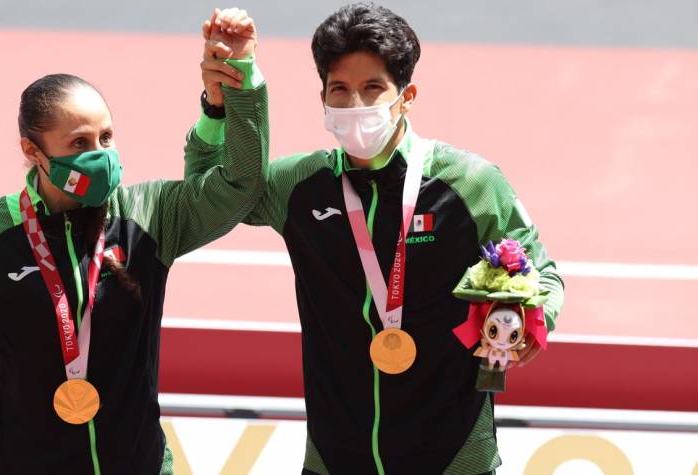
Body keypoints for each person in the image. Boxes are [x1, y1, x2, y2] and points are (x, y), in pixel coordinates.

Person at [192, 4, 564, 474]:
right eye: (340, 90)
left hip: (455, 460)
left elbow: (542, 273)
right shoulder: (300, 187)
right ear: (323, 98)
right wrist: (217, 108)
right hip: (335, 461)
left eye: (372, 88)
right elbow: (205, 200)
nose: (354, 105)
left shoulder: (470, 183)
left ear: (406, 96)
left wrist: (532, 320)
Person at [0, 9, 266, 474]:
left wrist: (235, 89)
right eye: (79, 143)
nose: (100, 155)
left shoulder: (148, 213)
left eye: (106, 137)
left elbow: (239, 186)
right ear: (33, 151)